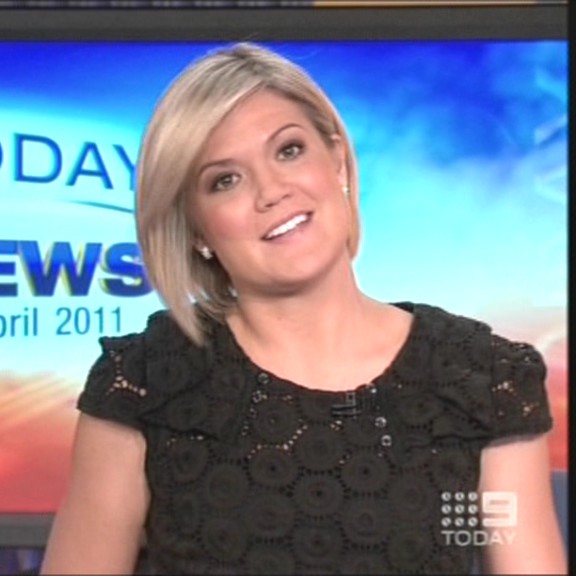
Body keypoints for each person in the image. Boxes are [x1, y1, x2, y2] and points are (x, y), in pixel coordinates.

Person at [40, 43, 565, 575]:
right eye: (225, 180)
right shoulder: (146, 384)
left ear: (336, 160)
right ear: (197, 230)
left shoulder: (481, 381)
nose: (272, 191)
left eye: (289, 150)